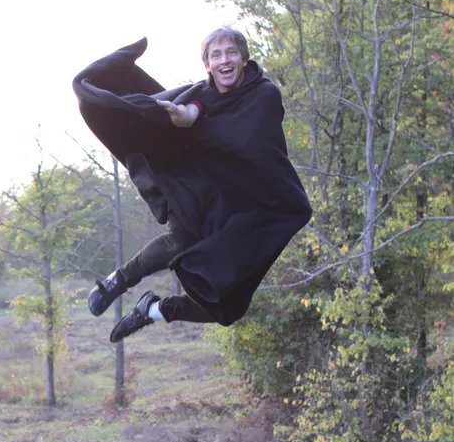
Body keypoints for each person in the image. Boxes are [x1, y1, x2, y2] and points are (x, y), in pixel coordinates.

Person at [72, 28, 312, 343]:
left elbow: (242, 139)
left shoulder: (264, 95)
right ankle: (118, 280)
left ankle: (153, 310)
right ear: (208, 65)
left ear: (244, 58)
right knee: (182, 239)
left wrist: (194, 123)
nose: (224, 60)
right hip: (195, 183)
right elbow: (192, 109)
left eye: (231, 52)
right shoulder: (202, 93)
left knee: (228, 306)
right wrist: (183, 116)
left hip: (252, 202)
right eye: (216, 55)